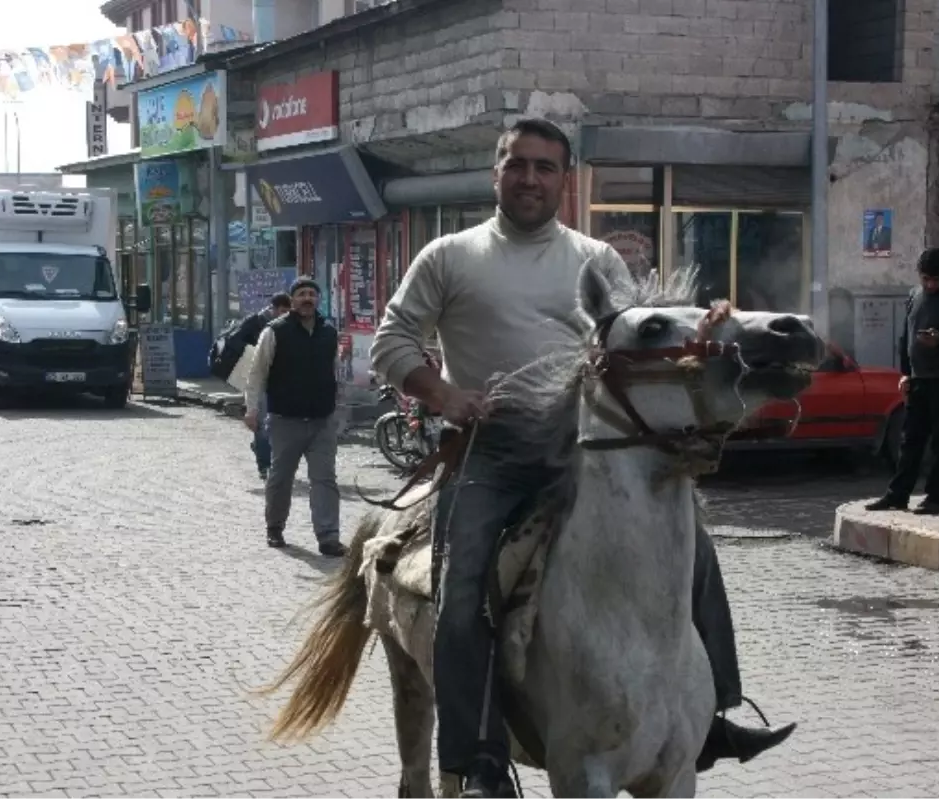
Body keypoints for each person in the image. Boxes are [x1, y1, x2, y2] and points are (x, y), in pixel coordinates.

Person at [370, 118, 793, 799]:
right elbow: (391, 341)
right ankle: (478, 760)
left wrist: (706, 332)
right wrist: (446, 394)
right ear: (496, 172)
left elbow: (632, 342)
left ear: (565, 180)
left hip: (590, 447)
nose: (530, 178)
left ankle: (710, 718)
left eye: (544, 167)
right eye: (518, 164)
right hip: (495, 453)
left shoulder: (597, 261)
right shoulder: (450, 256)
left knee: (697, 554)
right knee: (463, 587)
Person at [244, 278, 346, 557]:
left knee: (325, 479)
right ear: (292, 300)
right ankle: (275, 527)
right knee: (281, 478)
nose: (307, 299)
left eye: (312, 294)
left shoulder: (328, 332)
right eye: (301, 294)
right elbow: (257, 373)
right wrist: (251, 408)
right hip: (285, 419)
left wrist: (339, 409)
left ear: (318, 300)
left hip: (321, 420)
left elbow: (335, 372)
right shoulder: (274, 332)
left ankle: (328, 537)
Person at [867, 248, 939, 515]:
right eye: (926, 279)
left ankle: (935, 498)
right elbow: (905, 337)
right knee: (910, 439)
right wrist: (905, 373)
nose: (930, 285)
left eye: (936, 280)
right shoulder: (915, 295)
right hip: (918, 378)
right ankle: (897, 494)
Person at [233, 293, 292, 480]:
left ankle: (265, 452)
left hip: (283, 383)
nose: (285, 315)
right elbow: (236, 340)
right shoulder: (256, 322)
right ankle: (264, 465)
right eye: (282, 311)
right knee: (263, 425)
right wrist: (254, 351)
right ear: (273, 309)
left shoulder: (290, 326)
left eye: (288, 311)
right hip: (260, 380)